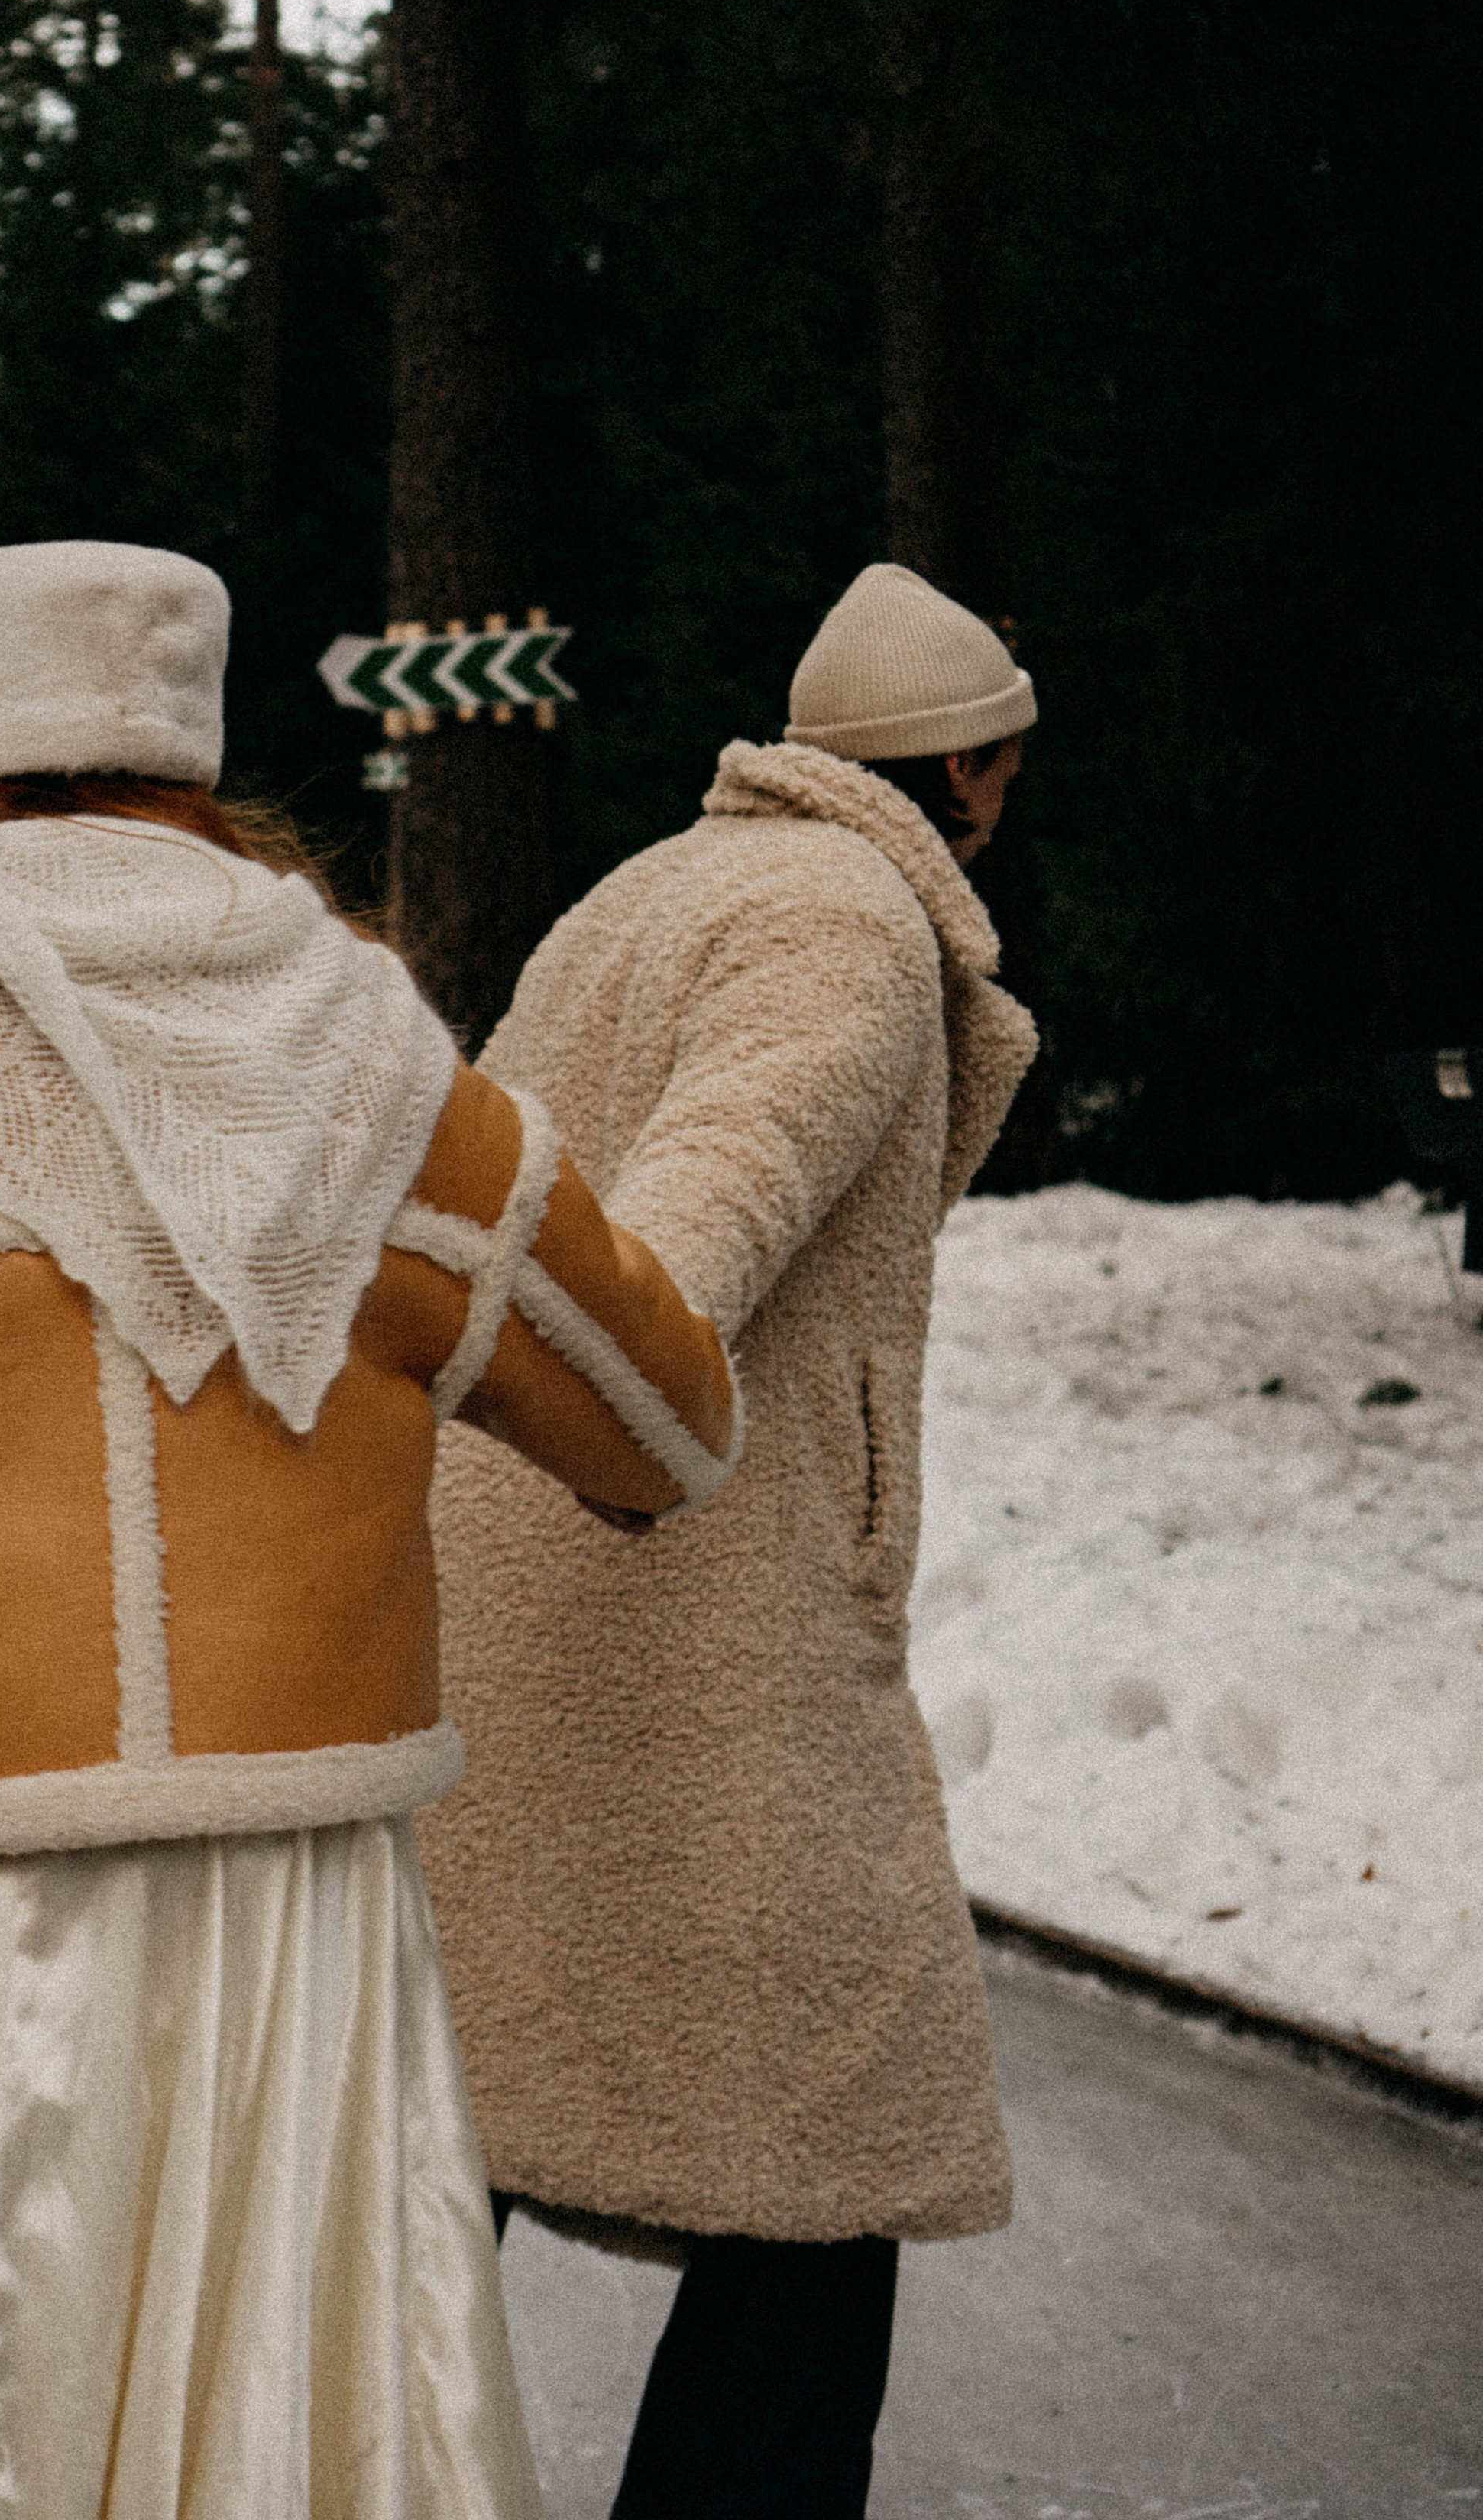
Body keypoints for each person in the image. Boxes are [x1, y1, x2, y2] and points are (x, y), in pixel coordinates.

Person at [0, 539, 744, 2520]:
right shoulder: (368, 1045)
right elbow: (660, 1426)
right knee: (297, 2431)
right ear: (186, 735)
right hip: (294, 1918)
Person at [417, 560, 1041, 2517]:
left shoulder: (634, 894)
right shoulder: (848, 928)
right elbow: (678, 1242)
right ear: (969, 771)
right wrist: (631, 1448)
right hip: (697, 1596)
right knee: (818, 2141)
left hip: (512, 1578)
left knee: (478, 2114)